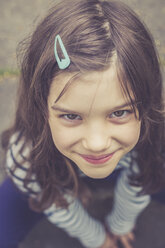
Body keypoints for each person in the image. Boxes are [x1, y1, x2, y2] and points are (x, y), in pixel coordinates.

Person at [0, 0, 165, 247]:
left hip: (131, 163)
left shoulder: (157, 132)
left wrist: (122, 221)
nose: (96, 144)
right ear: (41, 107)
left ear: (147, 101)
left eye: (119, 112)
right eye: (71, 116)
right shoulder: (27, 155)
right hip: (52, 171)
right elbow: (56, 203)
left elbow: (144, 176)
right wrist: (95, 237)